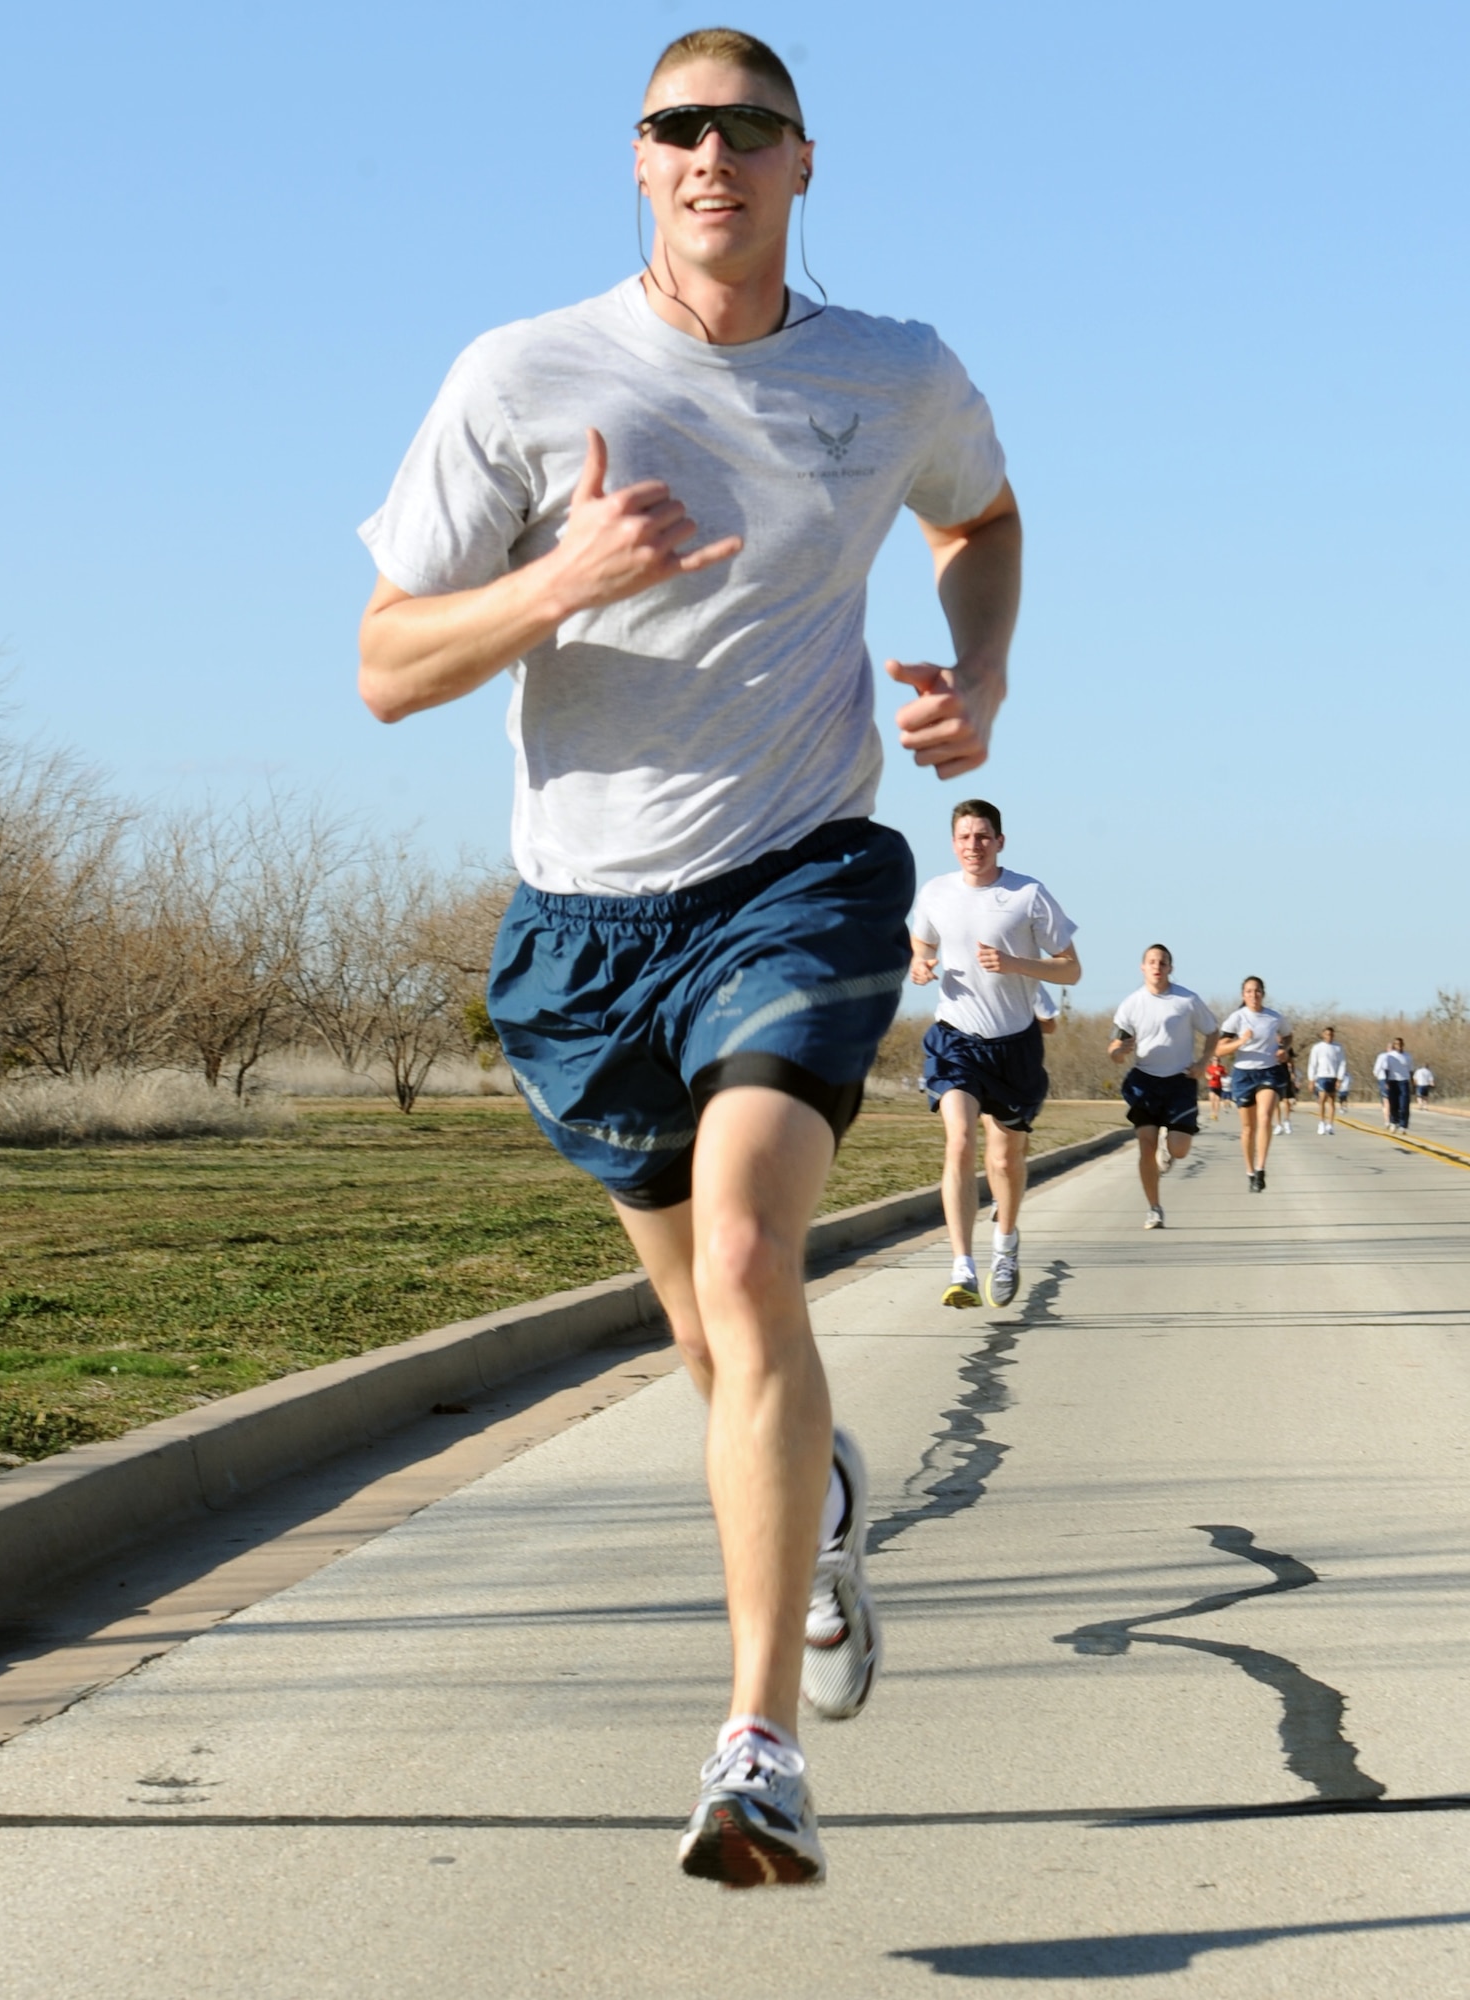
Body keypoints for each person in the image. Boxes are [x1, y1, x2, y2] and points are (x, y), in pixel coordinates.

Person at [355, 28, 1020, 1891]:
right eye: (676, 128)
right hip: (579, 934)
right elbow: (386, 664)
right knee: (709, 1342)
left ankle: (760, 1754)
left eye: (746, 128)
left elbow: (985, 518)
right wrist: (554, 584)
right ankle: (810, 1510)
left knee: (748, 1257)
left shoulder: (896, 372)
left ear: (806, 163)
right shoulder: (520, 375)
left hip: (799, 875)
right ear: (635, 165)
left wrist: (980, 673)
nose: (709, 153)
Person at [910, 801, 1080, 1307]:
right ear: (953, 843)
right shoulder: (936, 892)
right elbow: (919, 945)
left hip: (1015, 1046)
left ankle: (1004, 1244)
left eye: (983, 836)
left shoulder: (1027, 894)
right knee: (960, 1140)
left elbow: (1070, 970)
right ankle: (961, 1266)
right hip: (956, 1039)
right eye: (964, 837)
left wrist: (1015, 963)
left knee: (1005, 1160)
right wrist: (920, 966)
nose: (973, 846)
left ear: (1000, 841)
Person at [1107, 945, 1219, 1229]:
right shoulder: (1131, 1004)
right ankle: (1154, 1208)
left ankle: (1169, 1147)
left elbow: (1212, 1031)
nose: (1157, 967)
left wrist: (1204, 1062)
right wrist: (1119, 1050)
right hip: (1144, 1081)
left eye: (1163, 963)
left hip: (1180, 1081)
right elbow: (1115, 1048)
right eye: (1152, 962)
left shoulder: (1187, 1000)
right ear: (1142, 967)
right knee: (1146, 1145)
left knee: (1179, 1150)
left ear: (1170, 968)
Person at [1216, 976, 1288, 1191]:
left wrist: (1283, 1050)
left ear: (1263, 994)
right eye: (1248, 991)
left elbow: (1287, 1036)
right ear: (1243, 995)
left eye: (1257, 991)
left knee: (1265, 1116)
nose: (1253, 995)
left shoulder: (1274, 1017)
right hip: (1243, 1074)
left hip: (1269, 1071)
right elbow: (1219, 1050)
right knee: (1248, 1128)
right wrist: (1241, 1041)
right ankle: (1249, 1171)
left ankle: (1260, 1169)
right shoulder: (1236, 1018)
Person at [1307, 1024, 1347, 1134]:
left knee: (1331, 1101)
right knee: (1322, 1099)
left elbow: (1342, 1063)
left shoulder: (1338, 1047)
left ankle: (1330, 1124)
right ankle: (1321, 1123)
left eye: (1331, 1034)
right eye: (1327, 1034)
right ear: (1323, 1035)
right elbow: (1312, 1064)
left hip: (1333, 1076)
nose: (1329, 1036)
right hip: (1321, 1076)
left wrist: (1340, 1078)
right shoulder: (1317, 1047)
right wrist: (1311, 1079)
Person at [1374, 1038, 1413, 1132]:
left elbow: (1411, 1070)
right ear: (1394, 1046)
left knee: (1404, 1104)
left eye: (1400, 1044)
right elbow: (1386, 1069)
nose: (1398, 1046)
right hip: (1393, 1081)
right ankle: (1393, 1122)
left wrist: (1412, 1081)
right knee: (1393, 1103)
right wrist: (1387, 1082)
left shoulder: (1407, 1056)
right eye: (1396, 1044)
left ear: (1403, 1045)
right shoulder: (1389, 1056)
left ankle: (1403, 1125)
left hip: (1404, 1081)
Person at [1205, 1053, 1227, 1121]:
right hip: (1211, 1085)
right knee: (1212, 1098)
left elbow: (1225, 1075)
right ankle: (1212, 1112)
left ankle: (1216, 1114)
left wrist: (1220, 1074)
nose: (1216, 1061)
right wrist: (1209, 1077)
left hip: (1219, 1085)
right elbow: (1206, 1075)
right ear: (1212, 1061)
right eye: (1214, 1060)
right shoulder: (1209, 1067)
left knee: (1217, 1100)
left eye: (1217, 1060)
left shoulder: (1221, 1068)